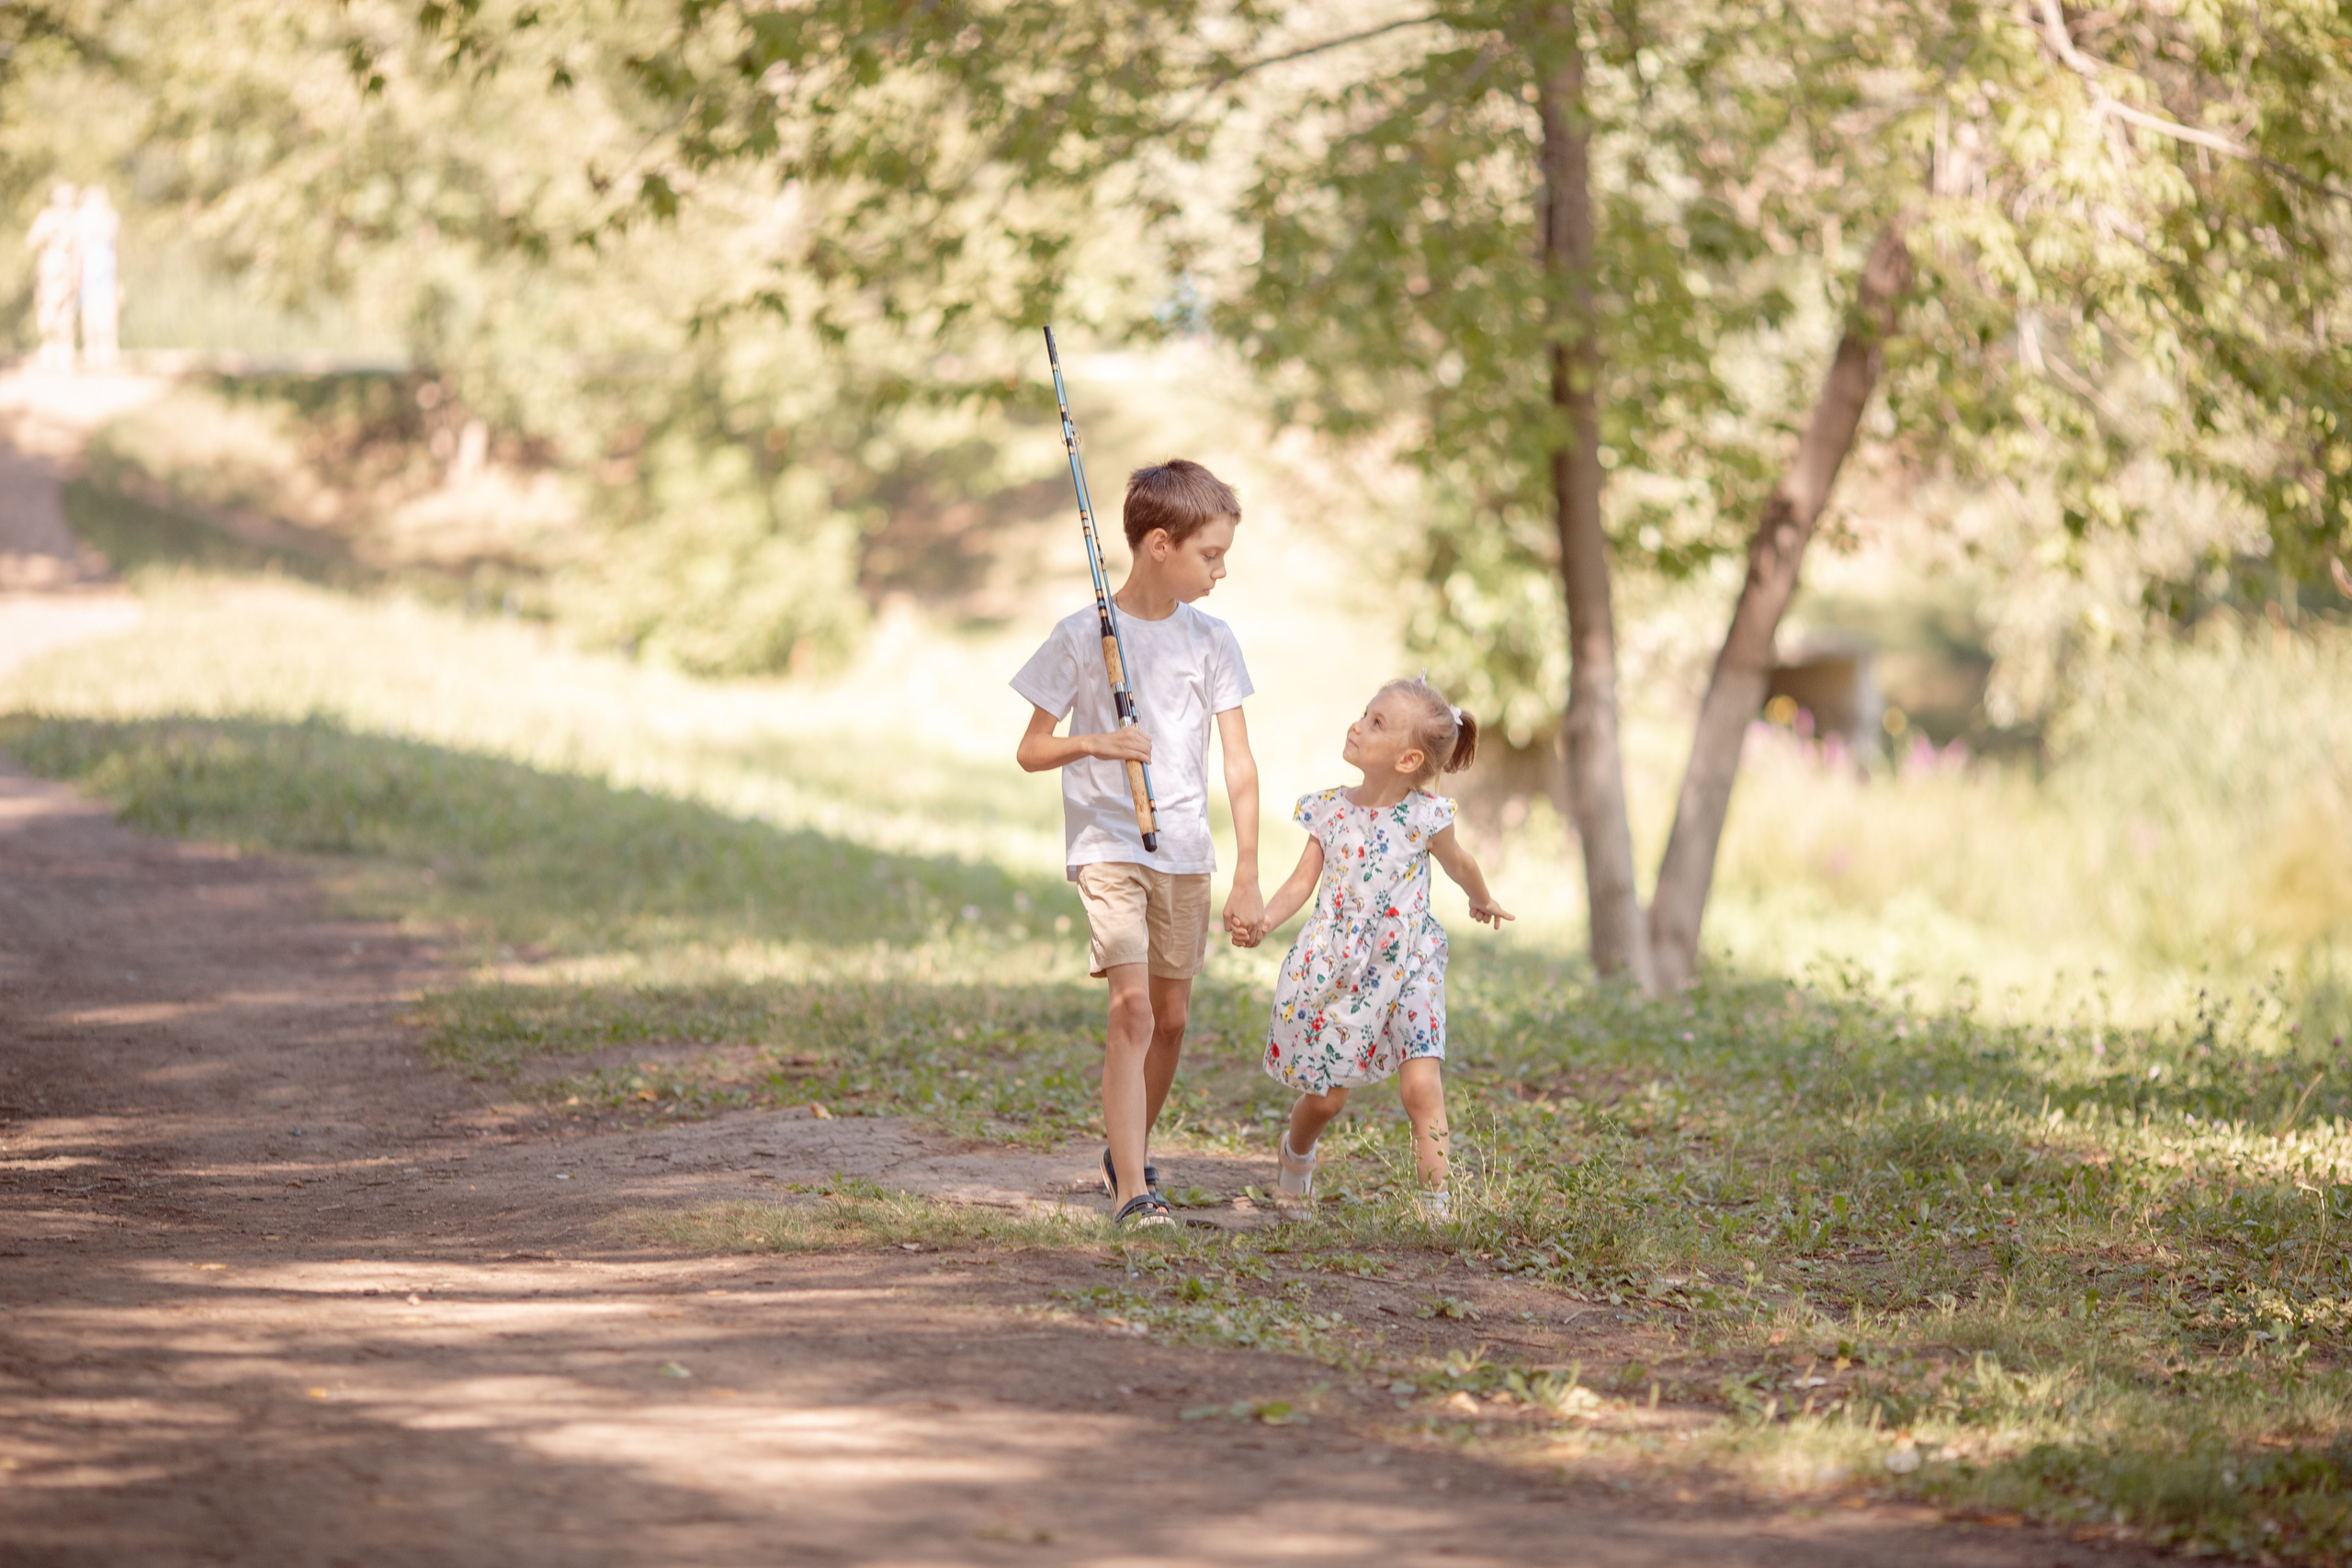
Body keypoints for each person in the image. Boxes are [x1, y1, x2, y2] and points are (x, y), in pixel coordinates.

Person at [1012, 458, 1263, 1229]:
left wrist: (1247, 874)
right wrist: (1099, 742)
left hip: (1185, 847)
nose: (1221, 571)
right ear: (1160, 544)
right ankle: (1132, 1190)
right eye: (1210, 555)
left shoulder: (1213, 640)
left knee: (1173, 1015)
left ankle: (1128, 1148)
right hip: (1110, 845)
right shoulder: (1081, 634)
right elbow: (1031, 749)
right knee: (1132, 1011)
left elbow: (1240, 763)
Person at [1241, 678, 1513, 1221]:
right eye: (1365, 714)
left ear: (1409, 759)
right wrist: (1266, 920)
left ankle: (1438, 1207)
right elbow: (1301, 883)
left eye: (1376, 723)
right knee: (1327, 1098)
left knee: (1421, 1085)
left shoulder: (1426, 817)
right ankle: (1296, 1156)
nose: (1358, 725)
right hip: (1341, 969)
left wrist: (1481, 899)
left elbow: (1460, 863)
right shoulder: (1329, 811)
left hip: (1410, 964)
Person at [28, 183, 78, 371]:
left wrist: (76, 276)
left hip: (67, 275)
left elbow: (79, 251)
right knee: (47, 318)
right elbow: (31, 242)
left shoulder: (75, 219)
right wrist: (46, 235)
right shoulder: (46, 217)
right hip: (48, 275)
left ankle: (66, 360)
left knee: (67, 319)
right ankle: (49, 357)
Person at [76, 186, 120, 369]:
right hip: (88, 273)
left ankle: (109, 350)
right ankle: (91, 351)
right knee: (89, 313)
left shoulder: (111, 218)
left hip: (107, 273)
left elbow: (115, 244)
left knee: (108, 313)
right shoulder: (80, 220)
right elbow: (78, 249)